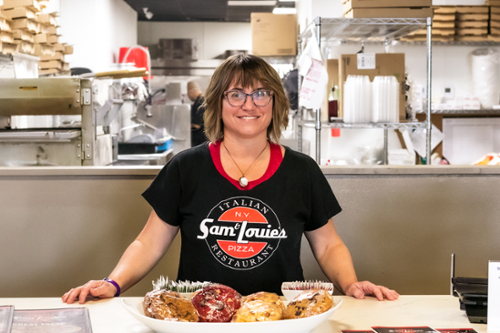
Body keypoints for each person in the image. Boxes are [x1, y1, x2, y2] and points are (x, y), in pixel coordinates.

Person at [62, 54, 399, 304]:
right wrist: (113, 283)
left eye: (261, 93)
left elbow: (327, 244)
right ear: (219, 104)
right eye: (236, 94)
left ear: (275, 102)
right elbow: (148, 242)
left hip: (279, 318)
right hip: (200, 318)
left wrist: (351, 283)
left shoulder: (302, 171)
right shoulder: (186, 168)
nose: (248, 104)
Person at [188, 81, 208, 147]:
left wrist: (186, 126)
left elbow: (197, 125)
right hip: (203, 140)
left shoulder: (199, 102)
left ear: (190, 92)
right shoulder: (203, 100)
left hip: (201, 140)